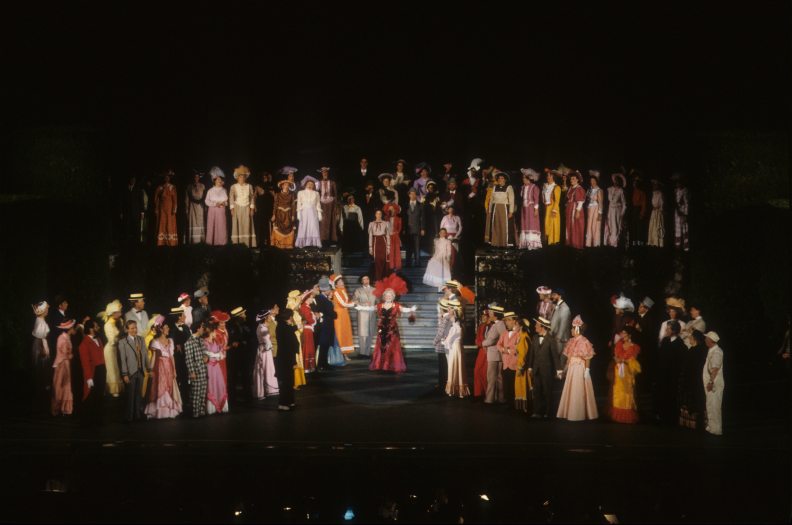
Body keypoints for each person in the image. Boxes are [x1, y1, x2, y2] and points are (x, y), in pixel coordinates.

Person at [369, 275, 416, 374]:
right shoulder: (379, 305)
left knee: (393, 346)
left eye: (390, 295)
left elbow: (404, 310)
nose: (388, 297)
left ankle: (392, 365)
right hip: (381, 329)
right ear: (384, 296)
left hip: (392, 329)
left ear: (393, 296)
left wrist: (411, 309)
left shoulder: (396, 305)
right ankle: (380, 364)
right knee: (381, 346)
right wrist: (359, 307)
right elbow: (369, 309)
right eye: (387, 295)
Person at [557, 315, 598, 421]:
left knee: (577, 390)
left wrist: (587, 370)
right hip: (571, 369)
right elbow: (569, 358)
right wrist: (564, 370)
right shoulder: (571, 341)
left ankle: (578, 413)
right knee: (571, 390)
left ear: (577, 329)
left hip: (579, 369)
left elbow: (588, 357)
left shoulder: (584, 341)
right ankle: (570, 412)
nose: (571, 330)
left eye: (572, 328)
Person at [145, 316, 183, 419]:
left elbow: (172, 357)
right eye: (166, 327)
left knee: (170, 388)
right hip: (160, 368)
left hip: (169, 368)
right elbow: (153, 357)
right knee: (161, 388)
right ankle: (160, 412)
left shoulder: (170, 341)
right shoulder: (155, 342)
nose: (168, 329)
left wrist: (174, 370)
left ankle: (169, 411)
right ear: (161, 329)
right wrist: (151, 370)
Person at [527, 317, 562, 418]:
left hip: (547, 370)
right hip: (536, 369)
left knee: (547, 391)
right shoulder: (534, 337)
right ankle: (537, 411)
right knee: (537, 391)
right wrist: (530, 367)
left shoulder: (551, 340)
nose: (535, 326)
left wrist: (558, 370)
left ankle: (548, 412)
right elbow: (531, 354)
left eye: (537, 325)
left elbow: (555, 356)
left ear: (543, 327)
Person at [118, 319, 150, 422]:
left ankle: (137, 415)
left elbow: (145, 355)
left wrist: (148, 368)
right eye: (132, 328)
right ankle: (129, 417)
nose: (134, 330)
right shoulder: (123, 342)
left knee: (138, 395)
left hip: (140, 371)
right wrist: (124, 374)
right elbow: (123, 360)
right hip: (130, 372)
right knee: (130, 396)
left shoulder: (141, 339)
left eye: (135, 328)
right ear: (127, 330)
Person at [609, 326, 642, 423]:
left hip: (628, 371)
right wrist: (618, 360)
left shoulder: (635, 347)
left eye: (624, 333)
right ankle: (617, 413)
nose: (622, 335)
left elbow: (633, 359)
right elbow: (615, 356)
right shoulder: (619, 344)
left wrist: (624, 361)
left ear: (629, 335)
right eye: (622, 333)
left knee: (627, 392)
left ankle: (627, 412)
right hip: (618, 370)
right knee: (618, 391)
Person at [657, 320, 686, 425]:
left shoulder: (680, 344)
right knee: (662, 394)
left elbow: (680, 362)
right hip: (663, 375)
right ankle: (662, 416)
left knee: (671, 396)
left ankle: (671, 418)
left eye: (668, 328)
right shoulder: (665, 341)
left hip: (673, 376)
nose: (666, 330)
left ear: (674, 330)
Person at [78, 319, 106, 426]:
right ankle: (90, 421)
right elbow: (85, 363)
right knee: (92, 397)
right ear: (91, 329)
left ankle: (99, 419)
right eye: (96, 326)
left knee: (100, 395)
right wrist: (89, 378)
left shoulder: (99, 339)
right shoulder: (84, 344)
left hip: (101, 370)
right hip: (93, 372)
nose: (98, 328)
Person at [679, 329, 707, 430]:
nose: (689, 338)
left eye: (690, 337)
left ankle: (695, 423)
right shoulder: (701, 350)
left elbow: (688, 367)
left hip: (693, 380)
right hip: (697, 379)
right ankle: (698, 422)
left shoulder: (693, 351)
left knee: (694, 400)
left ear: (694, 339)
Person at [227, 306, 254, 403]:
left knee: (246, 376)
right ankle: (232, 397)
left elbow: (250, 338)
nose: (245, 316)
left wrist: (243, 343)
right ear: (239, 316)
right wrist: (233, 343)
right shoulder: (230, 327)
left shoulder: (246, 326)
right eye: (243, 314)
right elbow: (229, 340)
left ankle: (248, 396)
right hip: (234, 356)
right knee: (233, 377)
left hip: (245, 355)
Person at [482, 306, 507, 404]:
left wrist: (483, 343)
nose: (489, 314)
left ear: (495, 315)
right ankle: (499, 398)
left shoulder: (499, 325)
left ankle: (490, 399)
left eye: (491, 312)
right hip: (494, 354)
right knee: (497, 377)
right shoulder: (497, 324)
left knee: (492, 377)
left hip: (495, 355)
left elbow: (493, 339)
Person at [444, 302, 469, 398]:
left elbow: (448, 341)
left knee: (453, 367)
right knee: (458, 367)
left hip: (454, 349)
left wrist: (443, 341)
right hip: (457, 349)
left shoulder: (455, 327)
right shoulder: (457, 326)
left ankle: (454, 390)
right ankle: (458, 389)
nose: (448, 312)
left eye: (450, 311)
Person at [276, 308, 300, 411]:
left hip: (286, 357)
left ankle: (290, 401)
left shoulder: (284, 327)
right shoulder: (283, 327)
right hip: (285, 358)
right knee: (286, 381)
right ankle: (283, 403)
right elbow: (289, 344)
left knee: (290, 381)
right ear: (289, 317)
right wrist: (293, 361)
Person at [51, 319, 76, 416]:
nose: (74, 330)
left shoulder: (67, 337)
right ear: (70, 329)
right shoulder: (62, 338)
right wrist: (70, 356)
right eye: (73, 328)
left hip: (66, 363)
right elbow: (63, 352)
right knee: (60, 385)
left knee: (66, 386)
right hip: (62, 364)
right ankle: (58, 407)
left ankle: (64, 408)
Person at [184, 322, 209, 418]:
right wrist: (192, 372)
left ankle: (201, 411)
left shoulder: (201, 340)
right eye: (202, 327)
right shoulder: (189, 342)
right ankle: (195, 412)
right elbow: (189, 359)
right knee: (196, 393)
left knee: (202, 392)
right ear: (198, 329)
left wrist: (206, 357)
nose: (203, 329)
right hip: (196, 370)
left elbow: (205, 353)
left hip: (203, 370)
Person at [169, 306, 192, 412]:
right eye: (183, 315)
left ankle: (186, 400)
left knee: (185, 379)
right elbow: (171, 343)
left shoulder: (186, 328)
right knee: (178, 379)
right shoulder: (172, 329)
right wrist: (177, 345)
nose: (185, 316)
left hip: (187, 357)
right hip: (177, 359)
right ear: (178, 317)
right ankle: (178, 400)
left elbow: (190, 340)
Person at [253, 309, 279, 400]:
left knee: (262, 369)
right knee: (267, 369)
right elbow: (267, 343)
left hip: (261, 349)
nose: (269, 317)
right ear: (265, 318)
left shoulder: (260, 326)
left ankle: (262, 390)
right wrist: (271, 346)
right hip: (265, 351)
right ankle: (269, 389)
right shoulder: (263, 328)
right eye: (268, 316)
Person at [484, 171, 516, 248]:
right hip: (495, 209)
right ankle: (496, 243)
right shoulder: (495, 187)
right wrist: (490, 210)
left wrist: (511, 211)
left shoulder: (509, 187)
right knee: (496, 226)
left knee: (503, 226)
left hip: (504, 209)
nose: (500, 180)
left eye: (502, 178)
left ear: (505, 180)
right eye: (499, 178)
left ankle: (504, 243)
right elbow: (491, 199)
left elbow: (511, 200)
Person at [228, 165, 257, 247]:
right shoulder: (233, 187)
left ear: (245, 177)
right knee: (238, 225)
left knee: (247, 225)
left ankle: (247, 243)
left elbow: (252, 198)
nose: (242, 178)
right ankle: (237, 244)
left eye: (243, 176)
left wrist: (252, 209)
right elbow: (231, 198)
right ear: (237, 177)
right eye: (240, 176)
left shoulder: (249, 186)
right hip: (237, 207)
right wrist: (232, 209)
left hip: (247, 207)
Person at [31, 301, 52, 411]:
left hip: (42, 343)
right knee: (41, 370)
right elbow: (39, 337)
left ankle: (43, 398)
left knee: (44, 371)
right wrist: (43, 349)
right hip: (39, 346)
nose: (47, 310)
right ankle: (40, 400)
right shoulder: (39, 321)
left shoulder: (42, 320)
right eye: (46, 309)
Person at [205, 320, 229, 415]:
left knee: (220, 385)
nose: (216, 333)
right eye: (214, 331)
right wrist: (216, 355)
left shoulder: (215, 342)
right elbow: (207, 354)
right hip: (209, 367)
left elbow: (221, 354)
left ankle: (221, 405)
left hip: (217, 367)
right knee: (211, 386)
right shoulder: (205, 342)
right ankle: (212, 407)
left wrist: (218, 354)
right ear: (211, 332)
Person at [497, 312, 521, 405]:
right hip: (505, 363)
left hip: (514, 364)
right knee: (505, 384)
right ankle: (508, 403)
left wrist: (508, 350)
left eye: (508, 320)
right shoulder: (504, 333)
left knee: (513, 385)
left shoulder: (518, 333)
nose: (507, 322)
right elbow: (498, 345)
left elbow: (517, 348)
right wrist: (504, 350)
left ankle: (514, 404)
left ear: (514, 321)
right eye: (506, 321)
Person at [703, 331, 724, 435]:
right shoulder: (711, 350)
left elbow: (715, 368)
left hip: (714, 384)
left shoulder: (717, 352)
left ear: (710, 340)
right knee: (710, 405)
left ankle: (716, 429)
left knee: (714, 406)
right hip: (710, 383)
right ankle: (711, 426)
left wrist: (711, 382)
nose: (705, 340)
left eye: (706, 338)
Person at [314, 277, 337, 371]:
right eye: (329, 289)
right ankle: (320, 364)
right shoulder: (321, 299)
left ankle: (324, 363)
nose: (330, 291)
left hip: (327, 325)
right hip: (324, 326)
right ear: (326, 289)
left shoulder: (324, 298)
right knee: (323, 345)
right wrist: (334, 313)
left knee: (326, 345)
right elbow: (331, 313)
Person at [102, 300, 124, 397]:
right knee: (112, 368)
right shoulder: (108, 325)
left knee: (117, 367)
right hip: (110, 349)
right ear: (113, 313)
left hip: (116, 348)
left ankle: (117, 389)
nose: (120, 314)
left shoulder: (117, 322)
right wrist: (119, 335)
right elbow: (112, 340)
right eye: (118, 312)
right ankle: (113, 390)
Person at [330, 275, 356, 357]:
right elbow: (343, 304)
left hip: (345, 314)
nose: (342, 283)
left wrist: (353, 302)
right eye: (340, 282)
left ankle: (345, 353)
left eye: (342, 281)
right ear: (336, 284)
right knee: (339, 333)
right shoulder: (336, 292)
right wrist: (354, 304)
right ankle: (340, 354)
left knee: (345, 332)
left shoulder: (343, 290)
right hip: (339, 314)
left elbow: (346, 302)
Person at [517, 169, 542, 250]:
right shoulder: (523, 187)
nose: (523, 179)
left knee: (532, 223)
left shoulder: (534, 187)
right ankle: (525, 243)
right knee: (524, 224)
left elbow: (536, 199)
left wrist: (536, 209)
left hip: (531, 208)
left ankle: (532, 244)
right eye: (523, 178)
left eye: (524, 178)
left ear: (528, 179)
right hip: (524, 209)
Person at [353, 276, 377, 358]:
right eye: (364, 279)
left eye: (367, 279)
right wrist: (363, 304)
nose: (366, 280)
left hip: (372, 314)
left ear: (369, 280)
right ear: (361, 281)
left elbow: (378, 302)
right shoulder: (358, 290)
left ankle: (367, 353)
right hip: (362, 313)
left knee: (370, 333)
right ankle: (362, 352)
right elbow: (355, 301)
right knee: (362, 334)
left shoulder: (375, 290)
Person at [295, 176, 322, 249]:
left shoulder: (316, 193)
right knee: (304, 226)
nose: (310, 185)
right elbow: (299, 203)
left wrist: (319, 214)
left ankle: (313, 243)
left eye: (312, 184)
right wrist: (298, 213)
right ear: (306, 184)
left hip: (313, 212)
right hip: (304, 212)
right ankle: (303, 243)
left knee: (313, 227)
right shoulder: (300, 192)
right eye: (309, 184)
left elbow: (318, 204)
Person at [272, 175, 297, 249]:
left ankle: (288, 244)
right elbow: (275, 205)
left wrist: (293, 215)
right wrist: (274, 214)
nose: (286, 186)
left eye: (288, 185)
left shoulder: (292, 195)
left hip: (288, 214)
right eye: (285, 185)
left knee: (288, 228)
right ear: (282, 186)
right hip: (279, 214)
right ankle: (279, 244)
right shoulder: (277, 195)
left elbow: (293, 205)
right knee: (279, 228)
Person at [205, 167, 229, 246]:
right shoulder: (210, 191)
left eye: (220, 179)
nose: (219, 180)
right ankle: (211, 242)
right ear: (214, 180)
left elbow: (226, 202)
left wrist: (223, 204)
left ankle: (221, 242)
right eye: (217, 179)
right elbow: (206, 201)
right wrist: (215, 204)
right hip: (212, 210)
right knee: (212, 225)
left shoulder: (224, 190)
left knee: (221, 226)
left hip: (221, 210)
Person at [154, 169, 178, 246]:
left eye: (168, 177)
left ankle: (171, 242)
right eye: (165, 177)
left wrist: (174, 208)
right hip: (162, 208)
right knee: (162, 223)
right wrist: (157, 208)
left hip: (170, 208)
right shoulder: (160, 187)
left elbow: (175, 198)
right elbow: (156, 198)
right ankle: (161, 242)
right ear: (164, 178)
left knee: (170, 223)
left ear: (170, 178)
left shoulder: (172, 187)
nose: (167, 178)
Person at [473, 307, 492, 399]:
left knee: (486, 373)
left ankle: (486, 393)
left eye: (485, 316)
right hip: (481, 351)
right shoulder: (481, 326)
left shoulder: (493, 326)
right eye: (482, 316)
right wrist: (480, 344)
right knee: (477, 370)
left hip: (490, 351)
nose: (483, 318)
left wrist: (486, 345)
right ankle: (478, 393)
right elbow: (477, 339)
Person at [317, 167, 340, 246]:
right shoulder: (319, 183)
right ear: (322, 174)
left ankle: (331, 240)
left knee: (331, 221)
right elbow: (317, 194)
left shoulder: (332, 183)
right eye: (323, 173)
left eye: (326, 173)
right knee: (322, 222)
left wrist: (336, 207)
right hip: (322, 204)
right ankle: (323, 240)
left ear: (328, 173)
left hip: (331, 204)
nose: (325, 174)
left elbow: (336, 195)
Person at [434, 299, 452, 390]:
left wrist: (434, 341)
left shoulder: (445, 319)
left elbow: (440, 333)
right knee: (444, 365)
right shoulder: (447, 317)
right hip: (445, 345)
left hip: (442, 345)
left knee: (442, 365)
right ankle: (443, 383)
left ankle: (443, 384)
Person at [298, 289, 318, 371]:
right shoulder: (305, 307)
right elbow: (310, 320)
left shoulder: (307, 307)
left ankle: (309, 366)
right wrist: (315, 318)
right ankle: (307, 367)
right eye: (311, 297)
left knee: (309, 347)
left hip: (309, 329)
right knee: (307, 347)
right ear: (307, 299)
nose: (312, 299)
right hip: (306, 330)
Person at [565, 171, 586, 249]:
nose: (571, 181)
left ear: (577, 180)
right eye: (571, 179)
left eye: (573, 179)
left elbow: (580, 201)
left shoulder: (579, 188)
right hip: (569, 209)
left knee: (576, 226)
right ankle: (570, 242)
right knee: (570, 225)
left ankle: (576, 243)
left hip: (576, 209)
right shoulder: (571, 188)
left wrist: (577, 211)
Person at [514, 318, 532, 412]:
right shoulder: (519, 336)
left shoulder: (525, 337)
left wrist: (522, 367)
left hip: (523, 366)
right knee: (519, 385)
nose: (514, 326)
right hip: (519, 364)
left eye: (516, 324)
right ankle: (522, 407)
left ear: (520, 326)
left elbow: (526, 354)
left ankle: (526, 407)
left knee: (524, 384)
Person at [605, 173, 627, 247]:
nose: (616, 182)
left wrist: (622, 214)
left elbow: (624, 204)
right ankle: (610, 243)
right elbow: (609, 201)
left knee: (616, 227)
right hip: (610, 210)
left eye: (617, 181)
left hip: (617, 211)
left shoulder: (621, 191)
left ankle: (615, 244)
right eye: (615, 180)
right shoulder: (609, 189)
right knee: (610, 225)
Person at [403, 188, 424, 267]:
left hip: (417, 229)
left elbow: (422, 218)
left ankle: (417, 262)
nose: (413, 195)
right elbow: (404, 218)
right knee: (408, 247)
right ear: (409, 195)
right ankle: (408, 263)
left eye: (414, 194)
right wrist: (404, 229)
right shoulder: (405, 205)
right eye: (411, 194)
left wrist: (422, 228)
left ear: (416, 195)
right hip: (408, 230)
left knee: (417, 247)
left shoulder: (420, 205)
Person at [368, 209, 391, 281]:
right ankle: (378, 278)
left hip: (383, 241)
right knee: (377, 260)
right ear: (375, 215)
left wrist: (388, 247)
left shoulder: (386, 223)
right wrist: (370, 247)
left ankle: (383, 277)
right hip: (375, 242)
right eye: (377, 214)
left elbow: (387, 235)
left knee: (383, 259)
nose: (378, 215)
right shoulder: (371, 224)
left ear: (381, 215)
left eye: (380, 214)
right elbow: (370, 236)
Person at [254, 170, 275, 247]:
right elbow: (254, 197)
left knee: (268, 225)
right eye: (263, 177)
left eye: (266, 176)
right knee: (260, 225)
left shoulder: (271, 185)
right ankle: (260, 242)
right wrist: (255, 207)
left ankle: (269, 242)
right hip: (260, 208)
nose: (265, 178)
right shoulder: (258, 185)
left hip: (269, 207)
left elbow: (274, 195)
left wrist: (267, 191)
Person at [550, 289, 571, 363]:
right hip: (554, 337)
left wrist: (558, 338)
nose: (552, 296)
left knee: (559, 362)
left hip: (561, 340)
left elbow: (563, 325)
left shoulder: (565, 308)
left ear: (560, 296)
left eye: (554, 294)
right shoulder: (557, 306)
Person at [185, 171, 206, 244]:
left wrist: (205, 207)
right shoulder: (189, 186)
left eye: (197, 177)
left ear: (199, 178)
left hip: (200, 206)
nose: (196, 178)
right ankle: (194, 239)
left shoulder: (202, 186)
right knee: (193, 221)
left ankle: (200, 239)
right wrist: (187, 209)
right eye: (195, 177)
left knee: (200, 221)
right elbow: (187, 199)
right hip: (192, 206)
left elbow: (204, 197)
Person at [628, 172, 648, 247]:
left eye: (636, 183)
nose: (635, 184)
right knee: (634, 226)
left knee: (639, 226)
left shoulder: (642, 192)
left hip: (639, 210)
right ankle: (634, 241)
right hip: (633, 210)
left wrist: (642, 213)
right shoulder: (632, 192)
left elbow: (644, 203)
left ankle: (640, 242)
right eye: (634, 182)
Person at [542, 169, 562, 245]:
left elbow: (557, 201)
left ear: (553, 177)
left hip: (553, 207)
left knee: (553, 224)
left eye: (550, 176)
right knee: (546, 224)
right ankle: (547, 240)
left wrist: (554, 210)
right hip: (546, 207)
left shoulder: (556, 187)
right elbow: (543, 197)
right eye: (547, 176)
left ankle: (553, 241)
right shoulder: (545, 186)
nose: (548, 177)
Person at [585, 171, 603, 247]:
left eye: (593, 181)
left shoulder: (599, 190)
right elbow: (586, 199)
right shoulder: (589, 190)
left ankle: (596, 244)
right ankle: (588, 243)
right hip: (589, 209)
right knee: (589, 226)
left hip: (596, 209)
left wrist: (600, 213)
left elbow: (601, 203)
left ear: (596, 181)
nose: (592, 182)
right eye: (591, 181)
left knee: (595, 226)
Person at [383, 200, 402, 271]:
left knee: (396, 251)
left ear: (395, 210)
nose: (391, 210)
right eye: (389, 209)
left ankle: (396, 266)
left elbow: (399, 228)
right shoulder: (385, 219)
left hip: (395, 236)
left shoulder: (398, 219)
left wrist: (395, 232)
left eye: (392, 209)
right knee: (389, 251)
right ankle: (390, 266)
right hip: (388, 237)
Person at [672, 173, 690, 251]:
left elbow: (686, 203)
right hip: (677, 213)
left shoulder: (685, 190)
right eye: (676, 182)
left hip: (683, 212)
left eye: (679, 182)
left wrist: (685, 214)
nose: (677, 184)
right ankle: (677, 247)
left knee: (684, 228)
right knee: (677, 229)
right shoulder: (675, 191)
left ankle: (686, 248)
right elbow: (675, 202)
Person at [647, 179, 665, 247]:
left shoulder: (660, 193)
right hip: (654, 212)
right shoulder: (653, 193)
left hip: (658, 212)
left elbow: (662, 203)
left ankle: (659, 242)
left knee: (658, 226)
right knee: (653, 226)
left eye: (655, 185)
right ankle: (653, 241)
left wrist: (660, 210)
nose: (654, 186)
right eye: (653, 185)